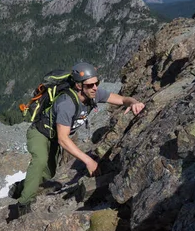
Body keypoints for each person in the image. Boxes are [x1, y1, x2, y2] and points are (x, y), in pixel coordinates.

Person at [8, 61, 145, 221]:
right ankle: (23, 205)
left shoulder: (94, 94)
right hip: (39, 133)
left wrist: (134, 103)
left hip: (53, 137)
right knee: (40, 161)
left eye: (96, 83)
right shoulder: (67, 103)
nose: (95, 88)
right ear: (79, 86)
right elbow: (63, 139)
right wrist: (88, 161)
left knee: (47, 174)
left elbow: (122, 99)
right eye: (90, 85)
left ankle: (20, 187)